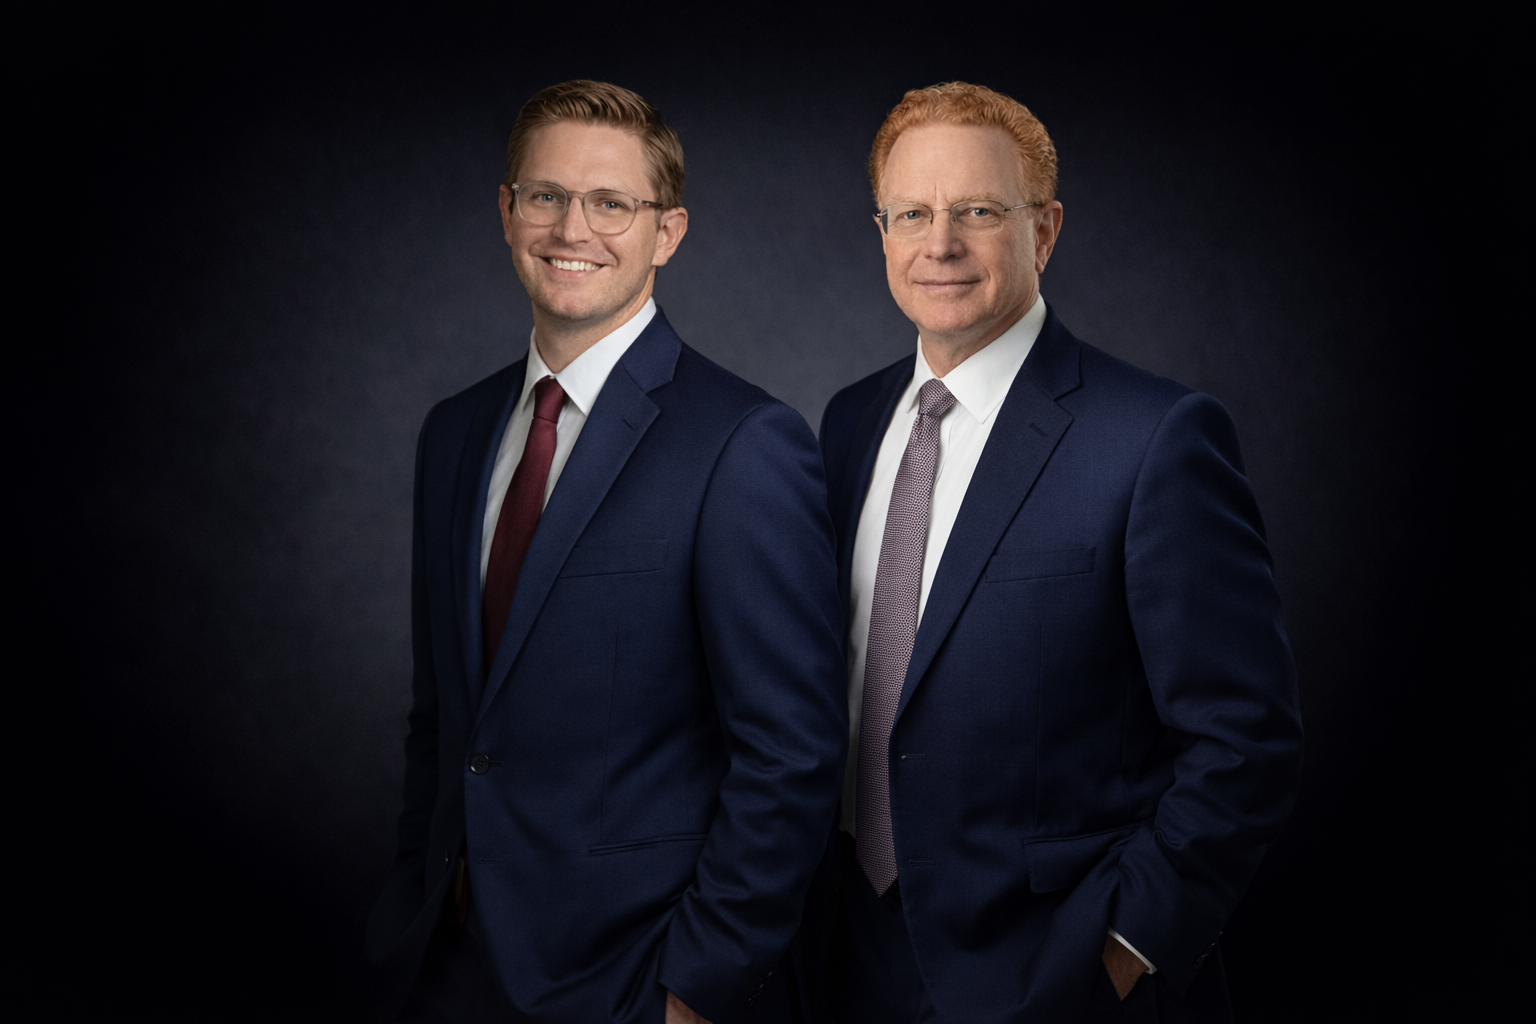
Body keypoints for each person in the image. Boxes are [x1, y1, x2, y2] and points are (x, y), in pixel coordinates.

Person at [815, 82, 1304, 1022]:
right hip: (850, 959)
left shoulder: (1154, 437)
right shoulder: (848, 424)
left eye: (978, 211)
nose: (939, 243)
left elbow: (1246, 741)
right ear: (882, 231)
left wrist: (1122, 951)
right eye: (911, 213)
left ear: (1044, 230)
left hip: (1056, 971)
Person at [365, 80, 847, 1024]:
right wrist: (410, 906)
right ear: (507, 211)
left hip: (630, 978)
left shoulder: (743, 443)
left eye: (611, 203)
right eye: (546, 195)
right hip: (447, 966)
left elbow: (791, 755)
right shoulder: (454, 432)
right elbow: (445, 721)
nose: (571, 228)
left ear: (667, 233)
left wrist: (694, 989)